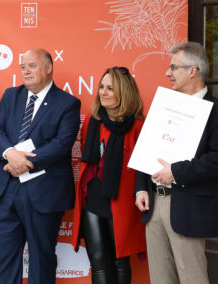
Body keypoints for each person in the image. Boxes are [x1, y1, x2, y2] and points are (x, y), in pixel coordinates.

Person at [0, 48, 81, 284]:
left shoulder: (68, 103)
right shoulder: (11, 95)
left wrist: (23, 162)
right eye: (22, 67)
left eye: (31, 66)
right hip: (7, 188)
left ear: (48, 68)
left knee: (41, 258)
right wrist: (10, 154)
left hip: (43, 191)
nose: (25, 71)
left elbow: (62, 144)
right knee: (3, 257)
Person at [135, 41, 218, 284]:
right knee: (160, 279)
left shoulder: (215, 111)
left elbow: (215, 158)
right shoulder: (164, 106)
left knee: (192, 278)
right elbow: (147, 149)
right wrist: (141, 186)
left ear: (192, 70)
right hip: (154, 206)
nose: (167, 73)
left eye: (173, 67)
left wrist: (176, 172)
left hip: (189, 207)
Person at [70, 67, 146, 284]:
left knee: (120, 261)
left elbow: (142, 170)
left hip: (121, 201)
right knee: (98, 262)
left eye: (110, 88)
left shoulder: (138, 126)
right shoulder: (93, 122)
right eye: (101, 87)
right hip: (92, 200)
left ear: (124, 92)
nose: (103, 92)